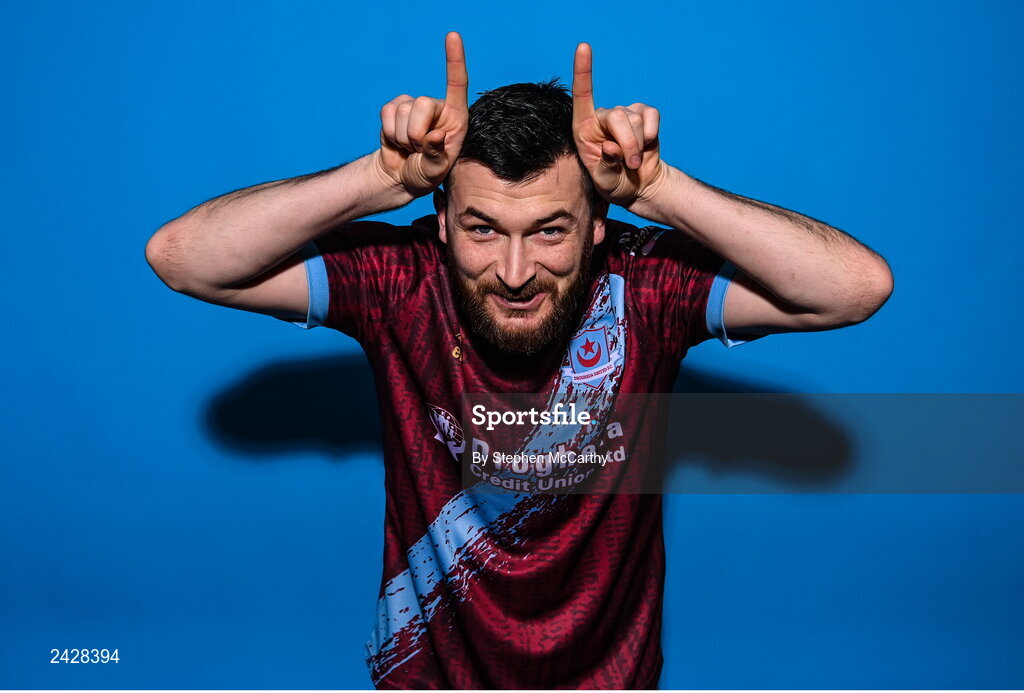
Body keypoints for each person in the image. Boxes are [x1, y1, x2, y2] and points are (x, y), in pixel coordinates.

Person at [145, 31, 893, 689]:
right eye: (481, 227)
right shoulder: (399, 284)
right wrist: (377, 177)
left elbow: (854, 287)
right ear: (438, 221)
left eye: (548, 230)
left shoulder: (648, 290)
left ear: (600, 225)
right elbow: (183, 259)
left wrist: (661, 190)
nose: (512, 270)